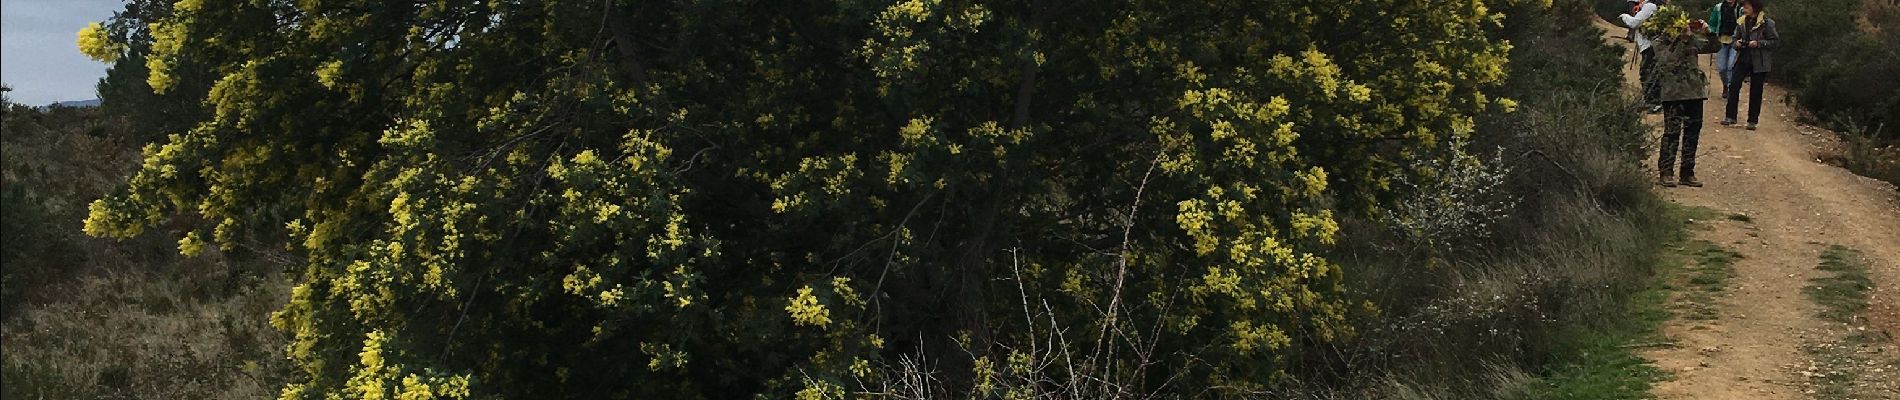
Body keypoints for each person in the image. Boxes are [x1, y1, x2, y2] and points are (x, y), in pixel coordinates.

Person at [1656, 17, 1721, 187]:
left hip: (1694, 92)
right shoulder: (1660, 41)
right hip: (1673, 94)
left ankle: (1687, 172)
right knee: (1672, 133)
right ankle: (1666, 172)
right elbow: (1668, 61)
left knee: (1692, 133)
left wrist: (1709, 32)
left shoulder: (1693, 39)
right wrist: (1681, 40)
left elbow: (1715, 47)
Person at [1723, 0, 1777, 130]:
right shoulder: (1741, 21)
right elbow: (1734, 39)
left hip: (1759, 61)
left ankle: (1752, 121)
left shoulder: (1767, 23)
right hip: (1742, 58)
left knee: (1756, 91)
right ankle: (1730, 117)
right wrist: (1737, 44)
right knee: (1734, 85)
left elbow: (1774, 42)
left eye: (1746, 6)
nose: (1743, 9)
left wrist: (1758, 44)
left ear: (1754, 8)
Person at [1622, 0, 1663, 111]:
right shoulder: (1653, 6)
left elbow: (1635, 22)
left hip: (1649, 45)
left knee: (1647, 72)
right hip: (1652, 44)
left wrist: (1624, 17)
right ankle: (1654, 101)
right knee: (1651, 71)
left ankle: (1653, 102)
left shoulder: (1649, 6)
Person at [1708, 0, 1741, 97]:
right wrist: (1711, 32)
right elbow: (1712, 23)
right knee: (1722, 68)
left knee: (1731, 66)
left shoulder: (1740, 9)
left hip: (1735, 41)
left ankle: (1731, 89)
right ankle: (1725, 85)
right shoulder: (1718, 8)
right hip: (1721, 41)